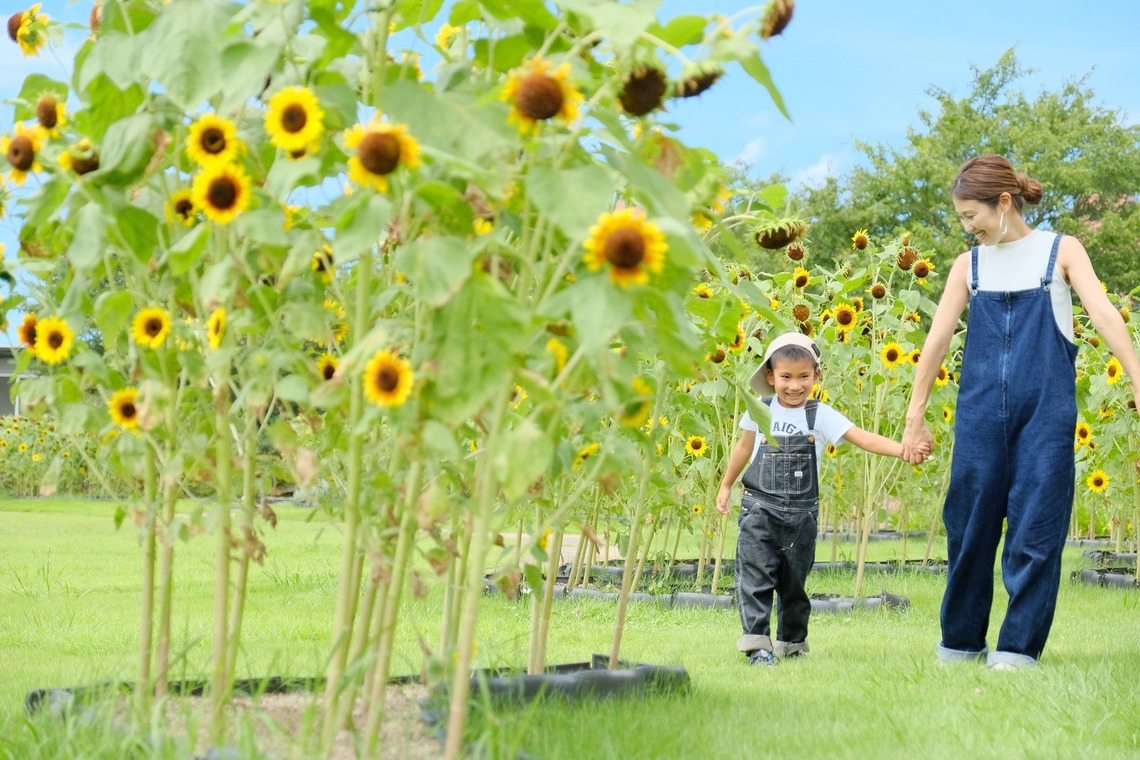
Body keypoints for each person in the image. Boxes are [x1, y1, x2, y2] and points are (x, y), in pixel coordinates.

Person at [900, 154, 1140, 670]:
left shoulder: (1061, 251)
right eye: (962, 218)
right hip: (980, 416)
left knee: (1035, 533)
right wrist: (914, 414)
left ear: (1004, 203)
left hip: (1045, 417)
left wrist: (1138, 376)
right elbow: (937, 339)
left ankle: (1016, 649)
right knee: (968, 530)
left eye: (971, 216)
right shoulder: (970, 266)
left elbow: (1102, 313)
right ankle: (960, 643)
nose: (968, 227)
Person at [715, 332, 924, 666]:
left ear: (816, 375)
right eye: (785, 377)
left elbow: (862, 438)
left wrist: (902, 450)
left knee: (794, 584)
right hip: (759, 509)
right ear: (770, 377)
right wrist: (726, 485)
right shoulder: (760, 409)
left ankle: (792, 644)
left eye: (803, 377)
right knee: (754, 579)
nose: (794, 386)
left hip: (802, 517)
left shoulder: (820, 415)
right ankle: (758, 647)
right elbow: (743, 448)